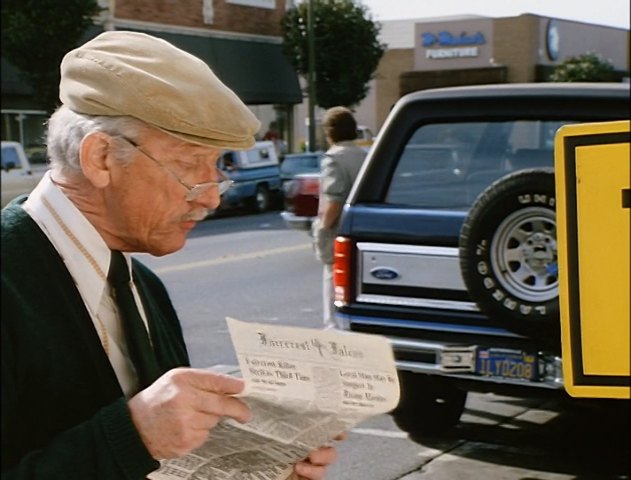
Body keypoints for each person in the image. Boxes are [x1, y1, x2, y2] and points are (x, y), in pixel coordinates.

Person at [1, 30, 341, 480]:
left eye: (216, 169)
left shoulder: (142, 285)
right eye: (188, 166)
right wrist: (134, 435)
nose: (212, 198)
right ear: (101, 157)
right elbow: (132, 445)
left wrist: (251, 468)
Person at [311, 107, 368, 329]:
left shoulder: (333, 159)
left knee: (332, 282)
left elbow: (333, 200)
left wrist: (322, 228)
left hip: (338, 231)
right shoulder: (365, 156)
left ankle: (333, 331)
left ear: (329, 133)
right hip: (360, 230)